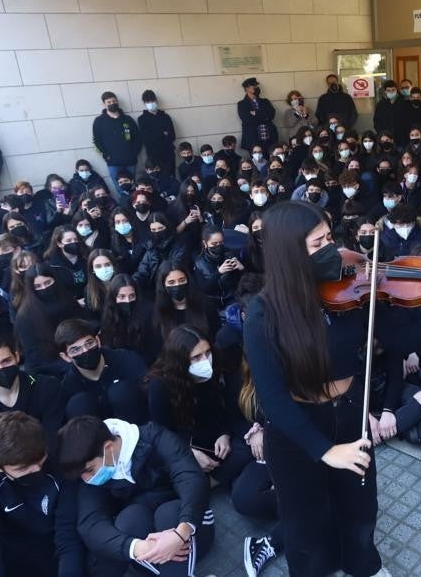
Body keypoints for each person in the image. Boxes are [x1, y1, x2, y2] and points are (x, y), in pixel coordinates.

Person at [242, 201, 386, 576]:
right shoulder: (263, 312)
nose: (332, 249)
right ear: (290, 252)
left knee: (360, 505)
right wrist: (324, 451)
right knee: (306, 522)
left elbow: (398, 338)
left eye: (330, 237)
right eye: (318, 242)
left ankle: (362, 565)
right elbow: (272, 398)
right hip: (298, 426)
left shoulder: (347, 288)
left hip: (351, 410)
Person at [56, 414, 214, 576]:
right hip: (147, 553)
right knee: (130, 518)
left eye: (89, 470)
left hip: (192, 528)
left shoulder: (153, 436)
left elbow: (189, 476)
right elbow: (91, 524)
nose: (87, 479)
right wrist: (138, 547)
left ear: (109, 448)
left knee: (168, 512)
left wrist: (181, 532)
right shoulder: (92, 477)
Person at [0, 411, 82, 577]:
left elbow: (68, 535)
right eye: (23, 468)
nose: (36, 469)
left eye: (39, 459)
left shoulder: (60, 464)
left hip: (63, 552)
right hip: (18, 561)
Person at [146, 324, 251, 486]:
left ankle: (213, 481)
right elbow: (162, 433)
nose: (205, 360)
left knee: (245, 447)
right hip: (183, 443)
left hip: (215, 438)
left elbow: (224, 410)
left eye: (207, 353)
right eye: (196, 357)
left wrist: (225, 434)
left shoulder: (214, 368)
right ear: (180, 360)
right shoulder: (160, 385)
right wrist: (190, 452)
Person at [0, 332, 65, 467]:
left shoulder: (46, 387)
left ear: (17, 356)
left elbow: (54, 438)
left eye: (6, 361)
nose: (1, 369)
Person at [54, 318, 148, 423]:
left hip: (139, 428)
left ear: (98, 341)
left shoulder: (124, 359)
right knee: (79, 404)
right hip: (100, 435)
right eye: (76, 350)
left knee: (121, 391)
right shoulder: (69, 387)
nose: (85, 351)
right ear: (66, 357)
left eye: (89, 343)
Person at [92, 91, 143, 196]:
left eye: (114, 101)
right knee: (120, 189)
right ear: (104, 104)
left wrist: (134, 153)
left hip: (130, 160)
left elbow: (138, 138)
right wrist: (107, 155)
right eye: (109, 102)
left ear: (117, 102)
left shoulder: (127, 119)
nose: (112, 103)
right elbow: (96, 141)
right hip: (113, 163)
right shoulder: (99, 121)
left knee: (132, 187)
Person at [136, 89, 176, 175]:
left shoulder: (165, 117)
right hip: (153, 155)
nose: (150, 103)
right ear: (144, 103)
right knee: (158, 178)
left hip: (168, 153)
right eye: (148, 101)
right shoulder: (142, 119)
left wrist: (154, 134)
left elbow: (172, 136)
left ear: (156, 101)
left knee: (171, 176)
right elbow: (146, 139)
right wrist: (163, 133)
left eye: (152, 100)